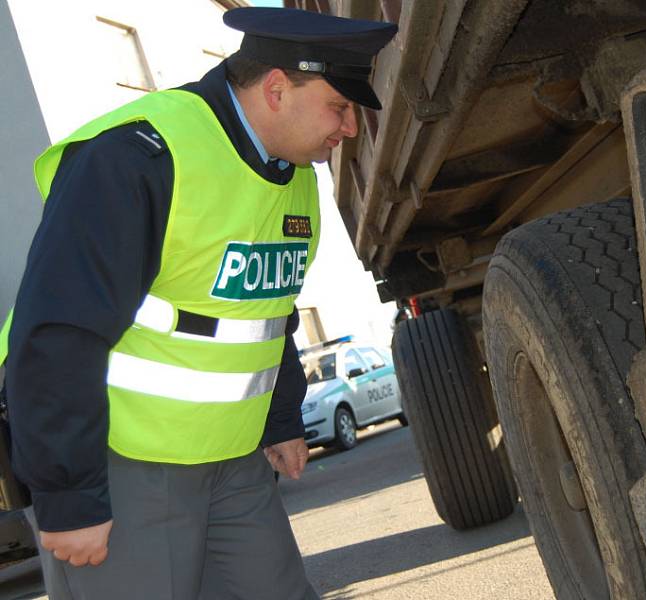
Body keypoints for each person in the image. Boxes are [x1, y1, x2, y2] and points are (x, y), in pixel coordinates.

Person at [0, 7, 396, 599]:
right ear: (277, 88)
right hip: (120, 461)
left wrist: (282, 418)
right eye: (340, 108)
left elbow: (267, 315)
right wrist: (69, 492)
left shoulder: (293, 179)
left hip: (231, 461)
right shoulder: (139, 157)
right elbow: (57, 328)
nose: (350, 130)